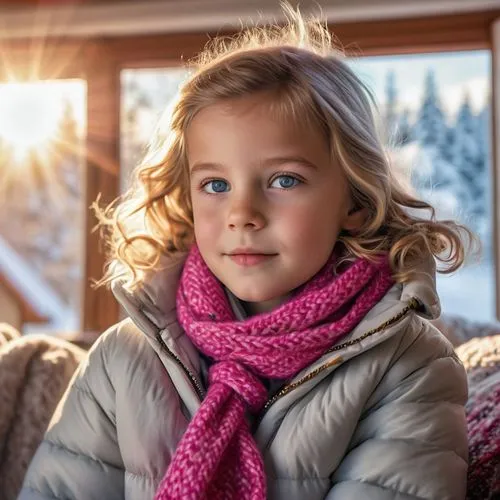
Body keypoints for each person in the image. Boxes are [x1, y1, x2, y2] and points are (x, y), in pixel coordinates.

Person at [19, 6, 471, 500]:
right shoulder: (123, 359)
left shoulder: (409, 365)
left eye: (284, 180)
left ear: (356, 201)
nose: (243, 213)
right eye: (215, 184)